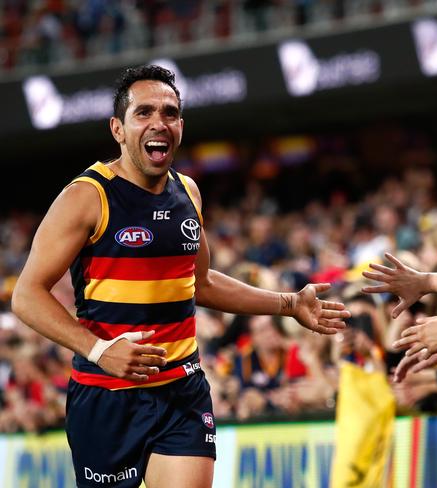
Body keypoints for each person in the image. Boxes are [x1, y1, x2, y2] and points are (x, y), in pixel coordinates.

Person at [10, 65, 350, 488]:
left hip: (181, 390)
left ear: (181, 126)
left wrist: (288, 303)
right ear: (118, 128)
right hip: (106, 395)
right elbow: (26, 295)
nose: (159, 123)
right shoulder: (86, 196)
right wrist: (100, 351)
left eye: (170, 113)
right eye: (144, 113)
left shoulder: (187, 192)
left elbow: (201, 283)